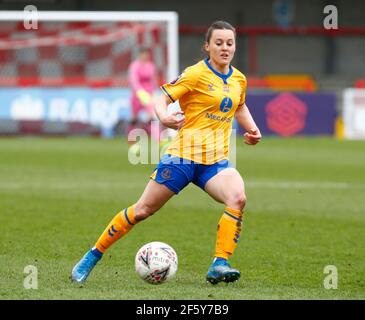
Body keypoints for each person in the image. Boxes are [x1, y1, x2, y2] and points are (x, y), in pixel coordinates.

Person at [72, 20, 262, 285]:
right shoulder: (195, 74)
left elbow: (239, 105)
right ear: (207, 46)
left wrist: (252, 129)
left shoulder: (239, 78)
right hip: (183, 158)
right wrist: (164, 117)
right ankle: (93, 255)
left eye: (229, 43)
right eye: (218, 43)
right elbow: (161, 97)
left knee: (238, 198)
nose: (225, 47)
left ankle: (220, 263)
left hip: (215, 162)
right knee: (141, 211)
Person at [127, 47, 164, 154]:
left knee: (153, 116)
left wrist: (153, 93)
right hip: (137, 95)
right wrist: (139, 92)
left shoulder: (151, 66)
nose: (145, 56)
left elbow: (153, 80)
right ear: (140, 55)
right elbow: (133, 80)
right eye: (143, 54)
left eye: (146, 54)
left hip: (148, 95)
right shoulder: (134, 66)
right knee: (134, 119)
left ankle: (158, 139)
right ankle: (132, 140)